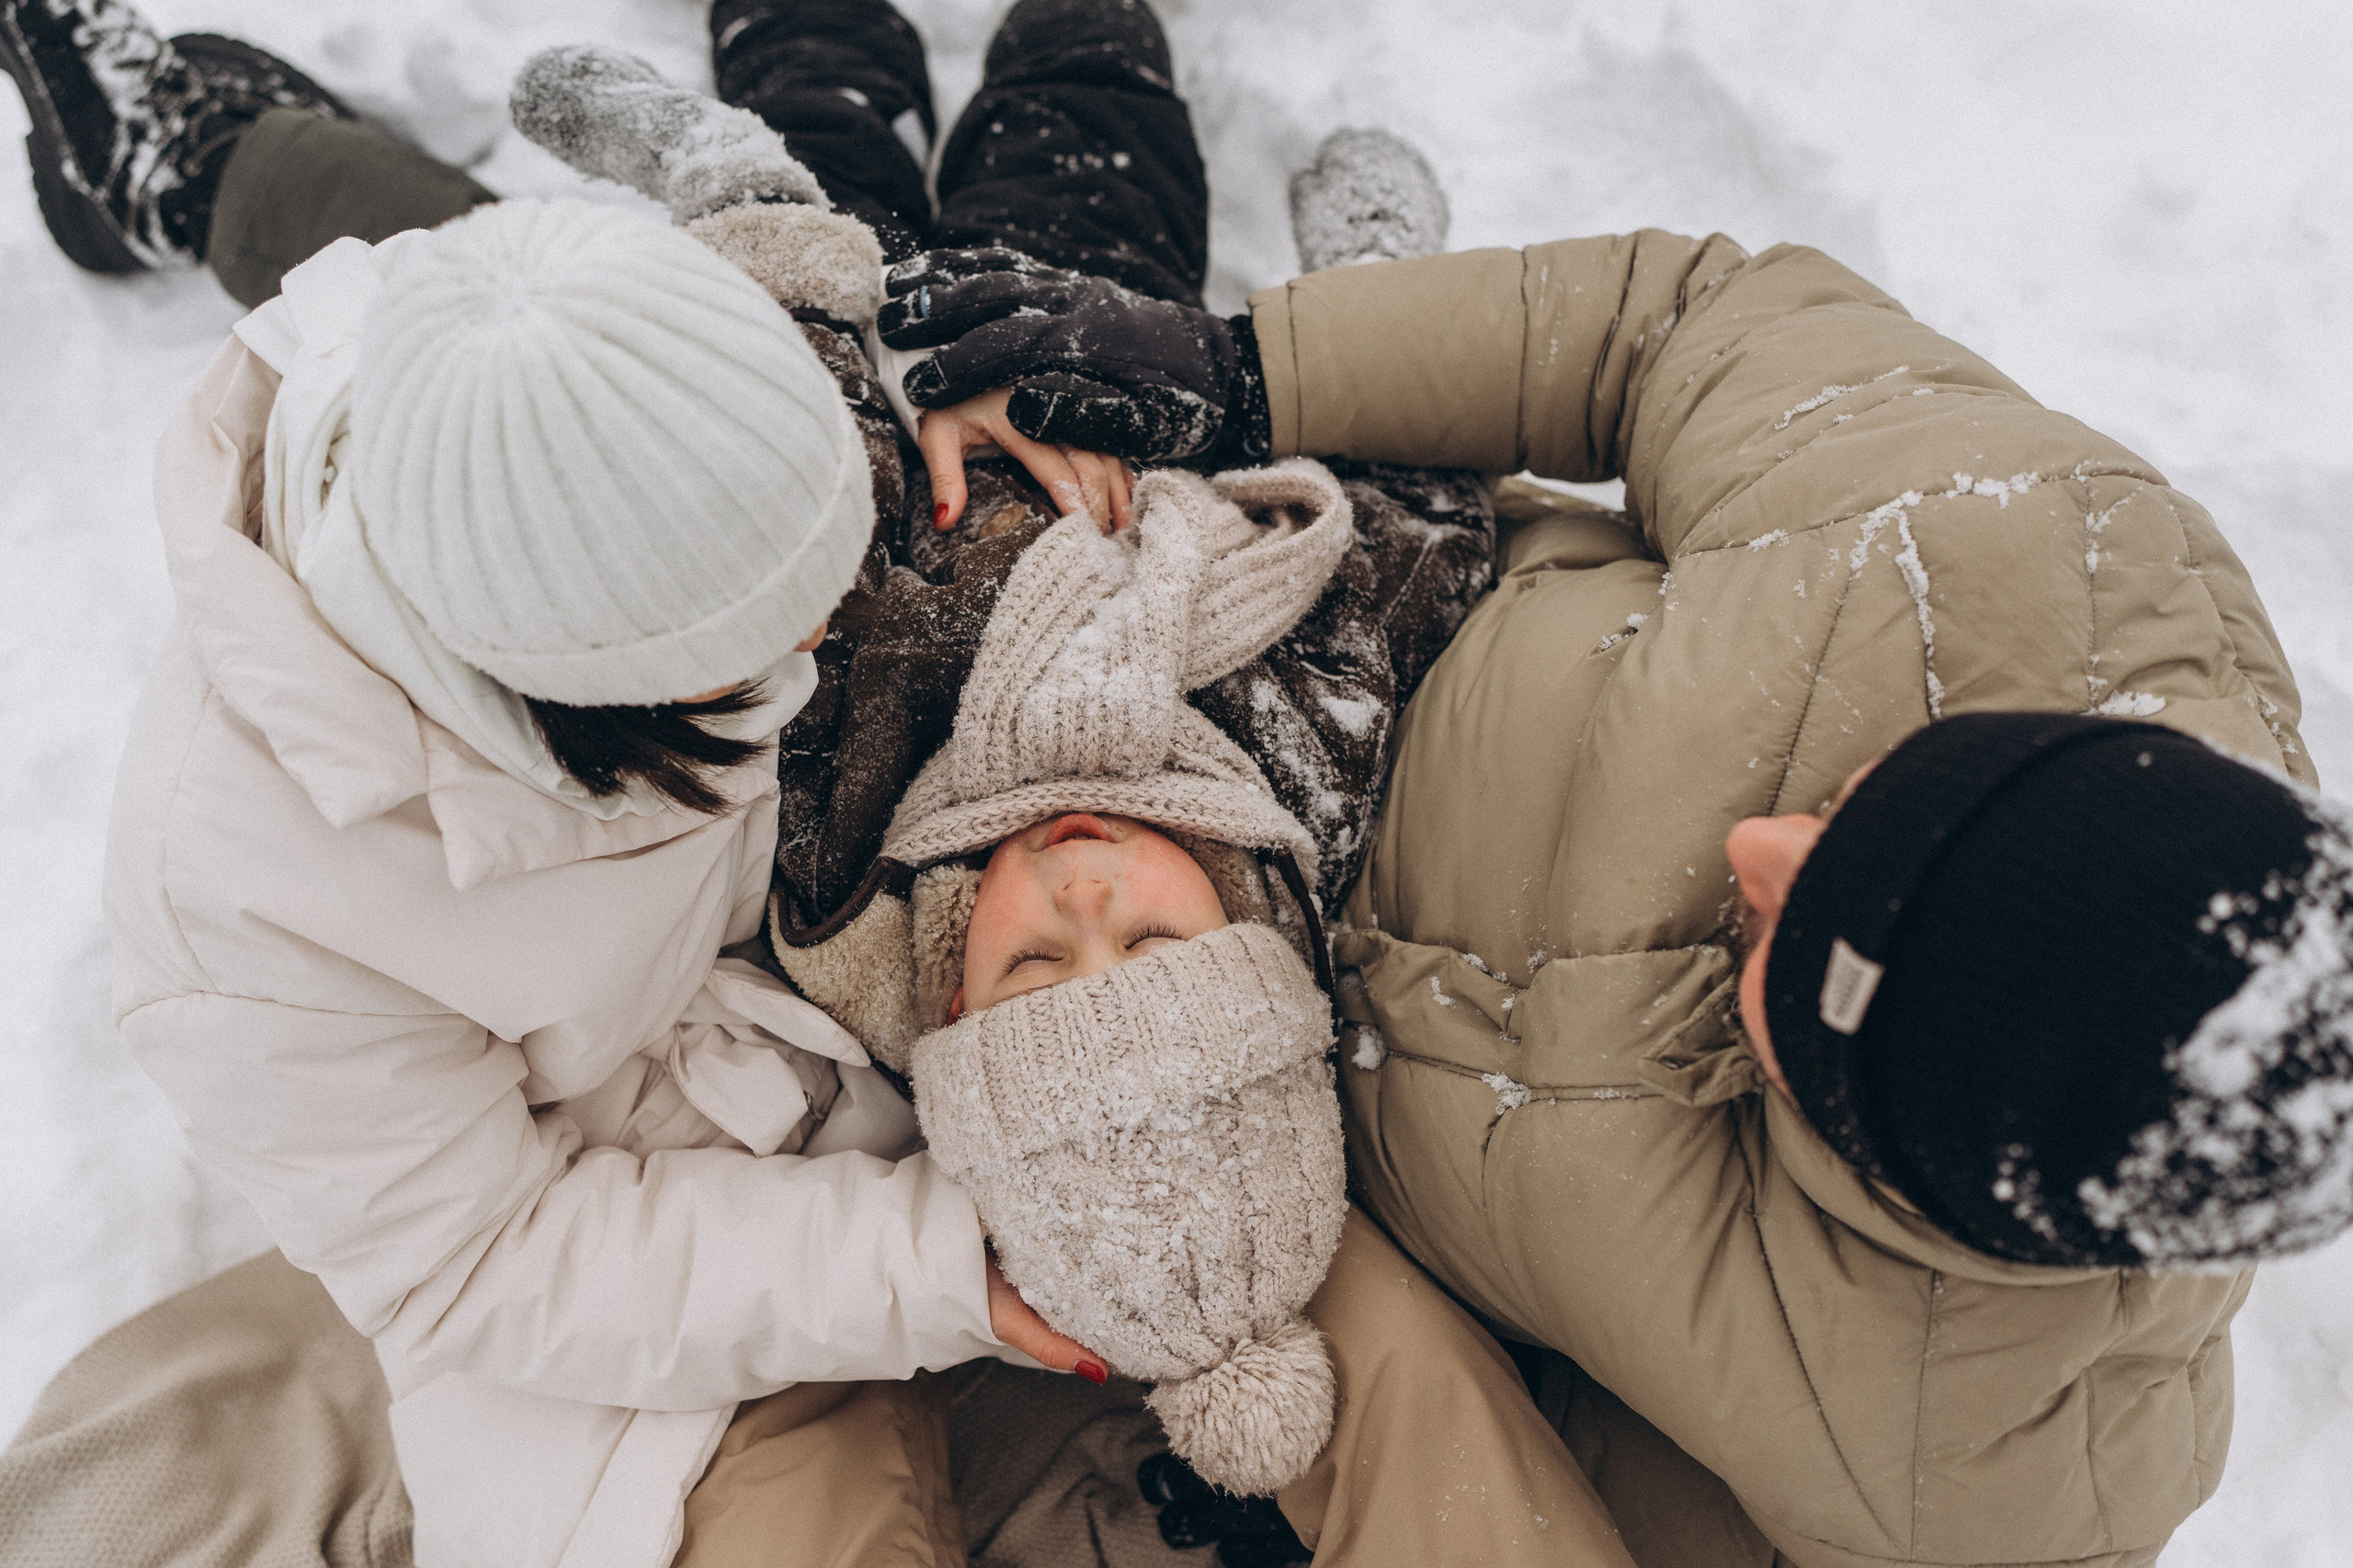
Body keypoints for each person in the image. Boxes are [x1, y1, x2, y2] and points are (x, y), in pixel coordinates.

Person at [3, 5, 1643, 1568]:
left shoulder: (637, 427)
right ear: (587, 695)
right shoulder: (252, 917)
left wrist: (962, 376)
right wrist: (944, 1268)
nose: (835, 618)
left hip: (921, 436)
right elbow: (484, 1256)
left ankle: (239, 152)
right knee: (1020, 108)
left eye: (825, 549)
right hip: (690, 1207)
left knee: (829, 125)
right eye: (762, 631)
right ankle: (192, 148)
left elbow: (787, 335)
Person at [888, 228, 2353, 1566]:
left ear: (1893, 1165)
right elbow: (1658, 332)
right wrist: (1249, 373)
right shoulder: (2021, 549)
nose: (1760, 847)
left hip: (1246, 1138)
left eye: (1797, 944)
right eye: (1859, 800)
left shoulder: (1970, 1466)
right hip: (1368, 641)